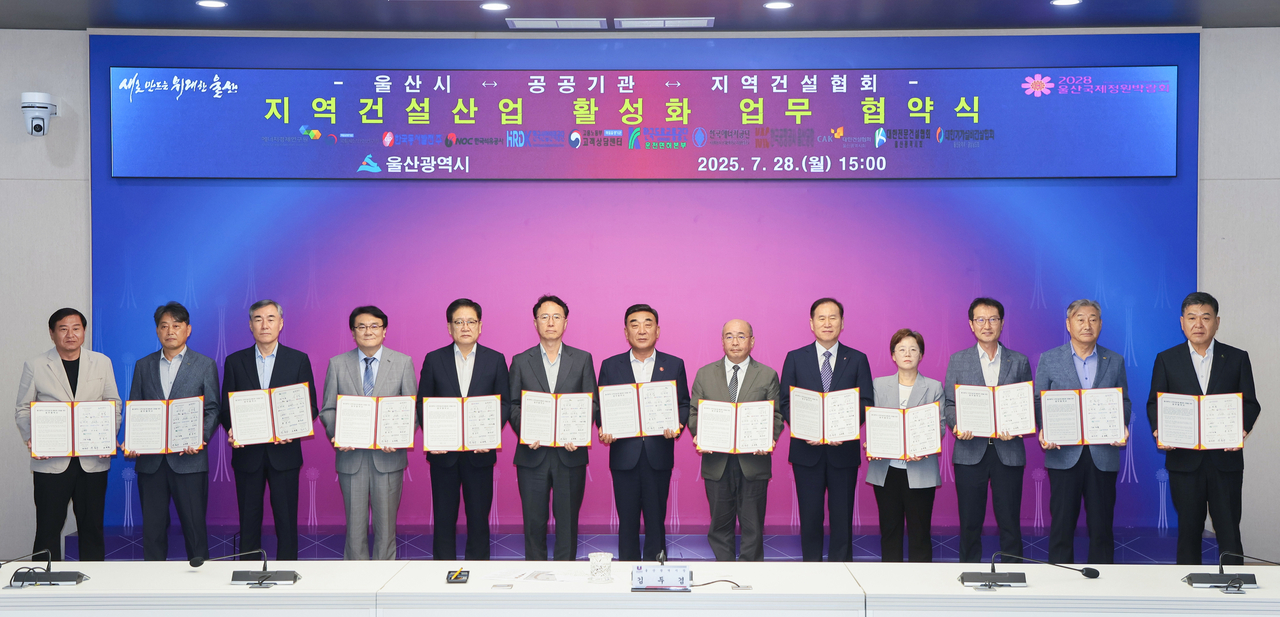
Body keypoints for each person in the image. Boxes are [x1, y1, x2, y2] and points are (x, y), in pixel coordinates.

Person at [1147, 292, 1260, 565]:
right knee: (1188, 531)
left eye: (1206, 317)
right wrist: (1160, 430)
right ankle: (1188, 586)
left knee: (1229, 530)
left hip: (1225, 460)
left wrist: (1241, 429)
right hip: (1185, 462)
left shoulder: (1236, 358)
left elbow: (1250, 403)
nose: (1199, 324)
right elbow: (1155, 403)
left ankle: (1234, 583)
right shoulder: (1167, 359)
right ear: (1182, 323)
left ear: (1217, 322)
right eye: (1192, 318)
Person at [15, 308, 121, 561]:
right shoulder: (36, 365)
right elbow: (22, 408)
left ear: (84, 332)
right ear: (52, 334)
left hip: (92, 460)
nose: (70, 334)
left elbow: (113, 404)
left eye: (76, 328)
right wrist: (33, 438)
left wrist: (107, 437)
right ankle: (43, 579)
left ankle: (94, 580)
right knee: (48, 528)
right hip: (51, 462)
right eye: (63, 329)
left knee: (92, 527)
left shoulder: (102, 362)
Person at [219, 299, 318, 561]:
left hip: (284, 454)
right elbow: (226, 408)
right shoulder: (234, 361)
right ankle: (247, 571)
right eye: (258, 319)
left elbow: (310, 407)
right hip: (247, 454)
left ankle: (287, 570)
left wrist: (292, 429)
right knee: (248, 519)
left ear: (281, 324)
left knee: (286, 519)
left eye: (271, 318)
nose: (265, 325)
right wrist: (232, 429)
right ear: (250, 325)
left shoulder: (298, 360)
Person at [1034, 299, 1131, 565]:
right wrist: (1045, 429)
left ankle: (1103, 580)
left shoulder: (1115, 360)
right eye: (1080, 319)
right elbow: (1039, 400)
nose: (1087, 325)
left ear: (1100, 324)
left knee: (1102, 526)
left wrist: (1120, 424)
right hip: (1063, 454)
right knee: (1062, 525)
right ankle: (1060, 577)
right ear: (1068, 324)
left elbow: (1123, 401)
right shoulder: (1050, 359)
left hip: (1103, 454)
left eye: (1093, 319)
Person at [319, 305, 418, 560]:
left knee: (386, 528)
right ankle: (355, 578)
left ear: (384, 331)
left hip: (388, 458)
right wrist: (337, 435)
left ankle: (384, 577)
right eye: (361, 326)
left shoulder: (403, 362)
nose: (368, 331)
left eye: (374, 326)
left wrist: (399, 438)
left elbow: (412, 410)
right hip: (351, 457)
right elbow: (328, 409)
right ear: (353, 333)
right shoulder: (337, 364)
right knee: (354, 528)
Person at [779, 298, 873, 562]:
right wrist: (803, 428)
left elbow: (866, 401)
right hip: (806, 451)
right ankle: (812, 569)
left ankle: (841, 569)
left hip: (843, 451)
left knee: (842, 517)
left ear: (842, 323)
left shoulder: (857, 359)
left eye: (833, 317)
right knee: (810, 516)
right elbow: (785, 401)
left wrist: (842, 430)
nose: (827, 323)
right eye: (821, 318)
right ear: (811, 323)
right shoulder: (795, 358)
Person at [125, 301, 221, 561]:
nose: (170, 331)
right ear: (157, 331)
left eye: (176, 326)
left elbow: (213, 409)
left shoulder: (204, 364)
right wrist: (133, 441)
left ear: (187, 330)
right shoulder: (143, 365)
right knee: (153, 531)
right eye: (164, 326)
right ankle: (154, 581)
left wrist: (199, 438)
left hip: (189, 460)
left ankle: (200, 578)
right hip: (151, 463)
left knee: (195, 529)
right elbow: (136, 407)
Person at [596, 303, 690, 561]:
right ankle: (627, 571)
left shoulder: (674, 364)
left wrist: (678, 425)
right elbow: (601, 406)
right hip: (624, 456)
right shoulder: (610, 365)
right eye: (634, 324)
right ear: (626, 332)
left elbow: (683, 403)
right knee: (626, 522)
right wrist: (604, 426)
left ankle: (656, 572)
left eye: (648, 324)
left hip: (658, 454)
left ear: (657, 331)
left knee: (656, 520)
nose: (641, 330)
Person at [942, 297, 1033, 563]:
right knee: (970, 522)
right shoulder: (958, 360)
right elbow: (949, 404)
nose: (987, 325)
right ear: (971, 325)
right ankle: (969, 572)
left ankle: (1013, 573)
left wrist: (1018, 426)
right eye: (980, 319)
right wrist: (957, 425)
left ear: (1002, 323)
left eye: (993, 319)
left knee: (1010, 521)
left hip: (1008, 450)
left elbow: (1027, 402)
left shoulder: (1019, 361)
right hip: (970, 451)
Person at [508, 295, 598, 561]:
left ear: (565, 323)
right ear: (535, 322)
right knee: (533, 522)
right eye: (544, 317)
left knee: (567, 523)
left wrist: (577, 434)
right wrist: (526, 431)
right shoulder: (520, 360)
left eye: (556, 317)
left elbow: (591, 403)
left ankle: (566, 576)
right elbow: (512, 404)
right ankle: (535, 576)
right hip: (532, 454)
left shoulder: (582, 359)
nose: (550, 322)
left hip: (569, 454)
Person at [418, 298, 509, 561]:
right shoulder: (434, 359)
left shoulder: (495, 359)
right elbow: (423, 403)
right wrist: (433, 438)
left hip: (480, 454)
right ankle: (441, 572)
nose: (465, 327)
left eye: (471, 321)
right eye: (459, 322)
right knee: (444, 519)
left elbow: (503, 403)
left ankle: (478, 573)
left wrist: (489, 435)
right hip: (443, 455)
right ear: (449, 327)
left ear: (480, 326)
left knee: (478, 520)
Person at [688, 319, 782, 561]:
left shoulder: (767, 375)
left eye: (741, 336)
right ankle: (725, 570)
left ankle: (750, 574)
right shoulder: (705, 374)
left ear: (752, 341)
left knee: (753, 527)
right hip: (717, 462)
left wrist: (768, 438)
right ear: (722, 341)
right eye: (729, 336)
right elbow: (694, 414)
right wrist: (702, 434)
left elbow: (776, 415)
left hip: (754, 461)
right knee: (719, 527)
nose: (735, 342)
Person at [867, 328, 944, 563]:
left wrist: (924, 446)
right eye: (901, 349)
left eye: (913, 349)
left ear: (921, 354)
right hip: (886, 470)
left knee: (920, 534)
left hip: (920, 469)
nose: (907, 354)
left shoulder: (934, 387)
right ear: (893, 355)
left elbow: (939, 426)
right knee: (890, 531)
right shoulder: (879, 385)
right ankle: (891, 582)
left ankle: (920, 583)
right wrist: (873, 443)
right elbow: (874, 421)